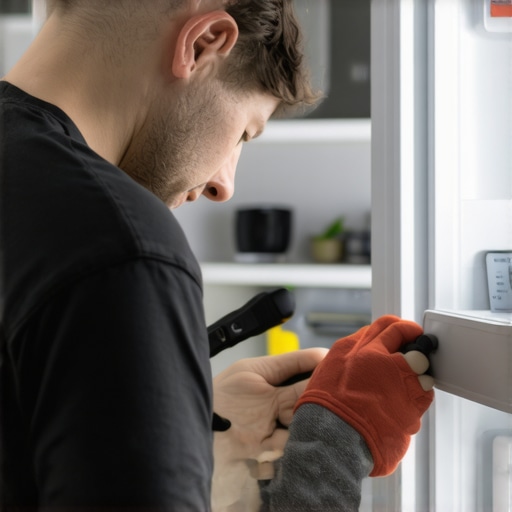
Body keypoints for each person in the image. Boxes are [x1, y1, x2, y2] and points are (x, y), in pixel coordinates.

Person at [0, 0, 434, 510]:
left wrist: (175, 416)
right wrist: (332, 449)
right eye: (244, 134)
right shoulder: (124, 246)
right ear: (204, 42)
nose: (225, 185)